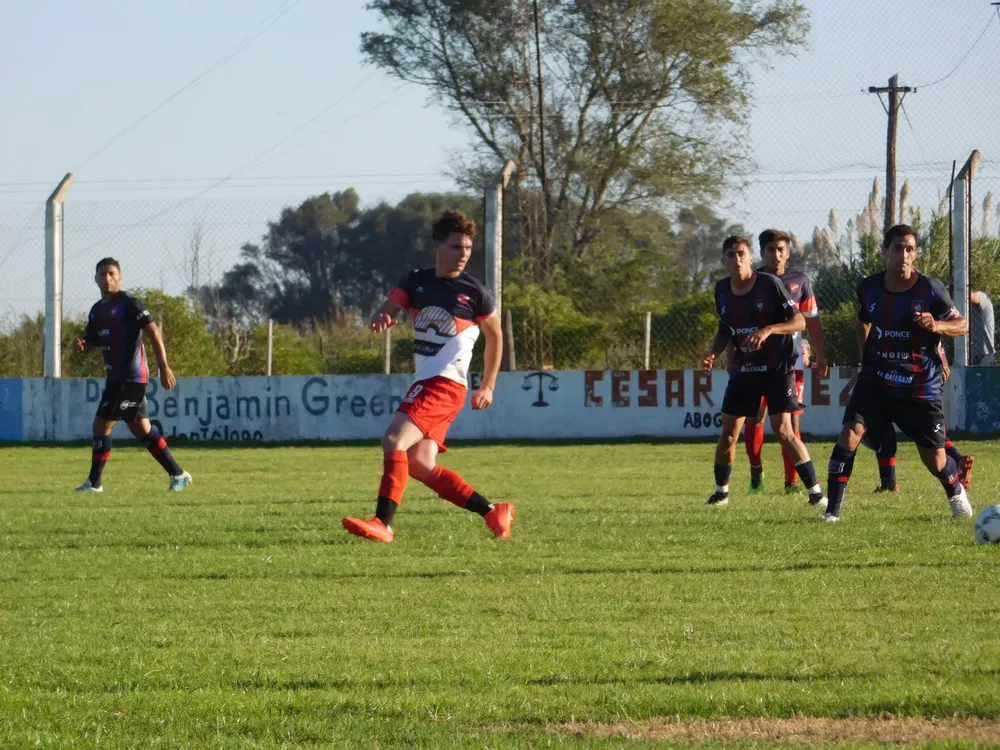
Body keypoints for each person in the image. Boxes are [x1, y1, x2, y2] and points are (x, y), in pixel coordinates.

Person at [341, 211, 513, 543]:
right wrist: (382, 317)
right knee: (420, 463)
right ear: (438, 246)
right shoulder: (416, 281)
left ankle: (383, 523)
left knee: (394, 440)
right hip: (429, 382)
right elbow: (388, 308)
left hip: (444, 383)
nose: (463, 253)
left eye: (468, 247)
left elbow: (495, 336)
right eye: (456, 246)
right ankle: (492, 511)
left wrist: (488, 385)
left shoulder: (475, 292)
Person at [822, 224, 973, 522]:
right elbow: (864, 320)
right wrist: (866, 360)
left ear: (915, 254)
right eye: (897, 248)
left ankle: (955, 489)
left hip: (919, 384)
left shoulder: (931, 289)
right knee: (850, 433)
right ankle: (831, 513)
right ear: (885, 252)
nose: (903, 254)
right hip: (876, 379)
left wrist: (937, 325)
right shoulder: (869, 287)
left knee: (935, 460)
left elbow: (963, 324)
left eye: (909, 249)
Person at [703, 235, 828, 509]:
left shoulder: (769, 284)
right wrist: (714, 352)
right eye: (731, 255)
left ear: (751, 258)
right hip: (745, 369)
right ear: (723, 260)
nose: (737, 259)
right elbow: (725, 328)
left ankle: (816, 494)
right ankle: (721, 493)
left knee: (784, 430)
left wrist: (769, 329)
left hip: (776, 367)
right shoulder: (722, 289)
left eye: (741, 254)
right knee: (729, 432)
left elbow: (799, 322)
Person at [74, 258, 192, 493]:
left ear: (119, 277)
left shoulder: (129, 304)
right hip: (116, 378)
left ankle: (94, 484)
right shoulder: (97, 310)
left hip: (129, 377)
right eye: (102, 274)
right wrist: (83, 346)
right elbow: (92, 342)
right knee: (142, 429)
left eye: (111, 274)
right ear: (95, 278)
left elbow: (154, 332)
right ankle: (178, 474)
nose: (107, 278)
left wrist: (164, 367)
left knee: (101, 426)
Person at [741, 229, 827, 495]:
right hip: (756, 361)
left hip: (791, 363)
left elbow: (811, 320)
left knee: (790, 425)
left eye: (781, 250)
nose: (776, 255)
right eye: (770, 250)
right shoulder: (752, 281)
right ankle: (756, 472)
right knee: (754, 418)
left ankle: (792, 482)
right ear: (761, 253)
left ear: (788, 253)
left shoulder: (800, 281)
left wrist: (819, 354)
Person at [859, 344, 974, 493]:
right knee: (921, 429)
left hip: (911, 375)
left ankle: (889, 483)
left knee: (889, 425)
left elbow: (929, 332)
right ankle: (889, 483)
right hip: (923, 373)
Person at [969, 290, 995, 366]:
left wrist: (958, 290)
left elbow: (974, 298)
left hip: (984, 353)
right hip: (969, 352)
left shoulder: (983, 296)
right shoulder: (964, 307)